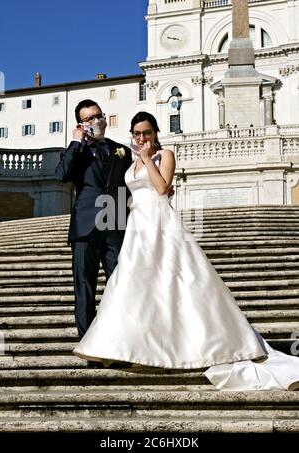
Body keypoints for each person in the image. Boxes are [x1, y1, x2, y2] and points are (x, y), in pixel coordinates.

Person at [73, 111, 299, 390]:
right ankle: (132, 346)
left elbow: (162, 188)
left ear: (155, 133)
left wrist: (146, 159)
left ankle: (195, 344)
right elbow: (126, 194)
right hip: (136, 227)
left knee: (179, 281)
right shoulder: (129, 163)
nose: (141, 137)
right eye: (137, 133)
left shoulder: (164, 155)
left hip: (161, 222)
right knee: (134, 287)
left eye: (146, 132)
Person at [55, 99, 132, 366]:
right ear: (80, 124)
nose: (94, 121)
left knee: (119, 287)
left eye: (97, 116)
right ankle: (90, 348)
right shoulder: (76, 151)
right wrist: (76, 142)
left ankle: (118, 345)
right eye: (88, 118)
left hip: (115, 223)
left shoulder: (121, 150)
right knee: (84, 287)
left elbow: (129, 185)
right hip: (86, 224)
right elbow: (62, 175)